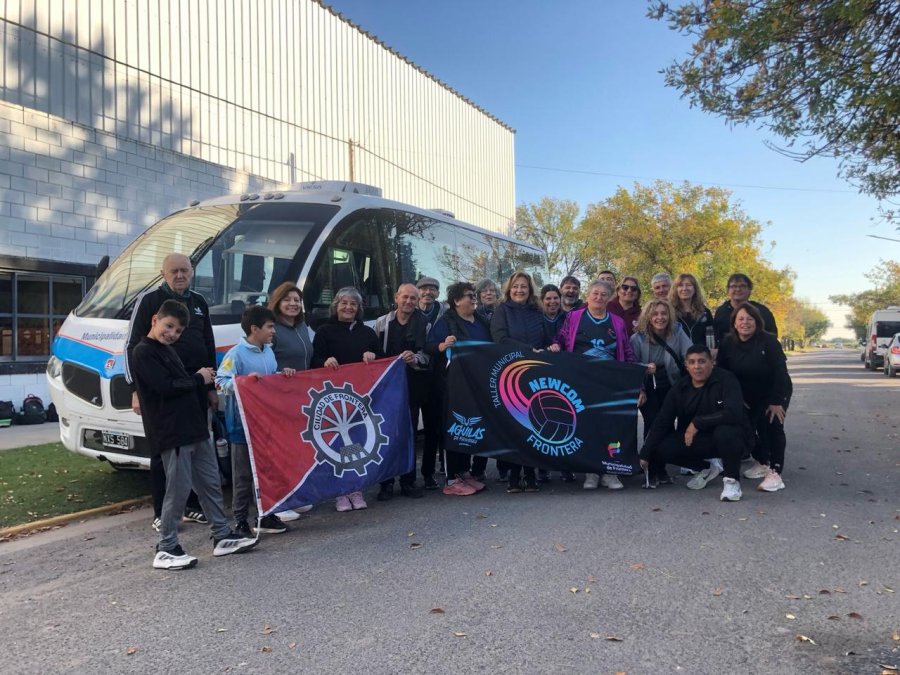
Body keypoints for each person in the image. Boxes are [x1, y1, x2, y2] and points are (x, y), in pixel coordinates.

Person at [130, 300, 257, 570]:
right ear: (155, 320)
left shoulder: (168, 351)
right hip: (172, 433)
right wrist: (199, 378)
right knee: (178, 490)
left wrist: (201, 380)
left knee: (210, 483)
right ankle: (166, 547)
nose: (172, 334)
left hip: (195, 429)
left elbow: (181, 382)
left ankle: (222, 535)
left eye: (178, 330)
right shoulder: (143, 352)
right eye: (169, 326)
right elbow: (165, 387)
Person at [124, 252, 216, 531]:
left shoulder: (199, 302)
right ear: (163, 273)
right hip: (161, 390)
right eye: (174, 271)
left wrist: (210, 387)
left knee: (194, 447)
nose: (180, 275)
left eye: (185, 270)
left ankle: (190, 505)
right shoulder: (149, 301)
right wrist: (135, 389)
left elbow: (208, 344)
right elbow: (131, 345)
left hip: (195, 387)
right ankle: (160, 512)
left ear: (192, 272)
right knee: (163, 450)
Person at [216, 305, 297, 537]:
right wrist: (244, 382)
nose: (274, 331)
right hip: (242, 425)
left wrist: (282, 375)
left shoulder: (268, 351)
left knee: (266, 471)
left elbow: (268, 379)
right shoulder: (236, 354)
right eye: (270, 327)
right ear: (254, 329)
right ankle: (240, 520)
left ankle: (266, 515)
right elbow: (221, 381)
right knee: (242, 474)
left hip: (266, 423)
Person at [553, 279, 636, 491]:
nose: (599, 297)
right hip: (582, 380)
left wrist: (637, 378)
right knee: (587, 425)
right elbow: (561, 339)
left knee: (611, 426)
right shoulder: (574, 317)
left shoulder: (617, 322)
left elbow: (627, 351)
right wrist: (554, 345)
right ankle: (591, 471)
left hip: (609, 382)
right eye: (595, 293)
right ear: (588, 296)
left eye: (603, 294)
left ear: (609, 298)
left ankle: (610, 471)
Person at [639, 345, 749, 501]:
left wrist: (698, 423)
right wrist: (645, 453)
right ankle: (705, 468)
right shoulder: (680, 388)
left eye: (702, 361)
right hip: (699, 440)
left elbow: (733, 413)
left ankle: (732, 481)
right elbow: (662, 421)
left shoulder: (727, 380)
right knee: (660, 447)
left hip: (732, 439)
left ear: (712, 362)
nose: (697, 366)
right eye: (692, 362)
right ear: (686, 366)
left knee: (725, 431)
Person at [311, 287, 382, 511]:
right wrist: (324, 361)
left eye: (353, 304)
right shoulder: (324, 331)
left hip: (361, 397)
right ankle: (341, 492)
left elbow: (382, 361)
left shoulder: (368, 333)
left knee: (356, 441)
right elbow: (314, 360)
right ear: (336, 305)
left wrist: (373, 355)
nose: (348, 307)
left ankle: (355, 488)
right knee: (339, 443)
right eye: (344, 303)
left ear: (359, 308)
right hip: (334, 398)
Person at [491, 271, 557, 493]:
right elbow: (500, 339)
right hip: (510, 372)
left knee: (534, 422)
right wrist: (529, 350)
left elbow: (546, 338)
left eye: (524, 287)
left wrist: (551, 346)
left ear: (530, 290)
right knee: (514, 424)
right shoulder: (502, 310)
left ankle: (530, 473)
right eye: (515, 286)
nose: (519, 290)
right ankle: (513, 475)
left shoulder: (537, 311)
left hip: (535, 372)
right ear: (509, 289)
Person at [716, 302, 792, 492]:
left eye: (750, 319)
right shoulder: (727, 343)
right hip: (744, 394)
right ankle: (763, 461)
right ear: (734, 323)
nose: (745, 322)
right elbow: (723, 373)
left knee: (771, 426)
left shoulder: (769, 341)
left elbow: (780, 373)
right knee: (746, 428)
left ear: (757, 322)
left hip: (773, 392)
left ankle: (775, 472)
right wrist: (733, 397)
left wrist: (776, 402)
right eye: (740, 319)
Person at [426, 282, 491, 497]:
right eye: (469, 296)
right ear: (456, 301)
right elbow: (429, 346)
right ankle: (451, 479)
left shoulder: (481, 321)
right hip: (453, 385)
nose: (474, 299)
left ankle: (464, 472)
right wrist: (442, 345)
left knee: (470, 428)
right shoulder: (447, 322)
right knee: (454, 428)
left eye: (474, 295)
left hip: (477, 385)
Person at [373, 283, 428, 500]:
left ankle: (408, 481)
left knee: (409, 435)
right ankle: (385, 483)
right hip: (386, 390)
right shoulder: (381, 323)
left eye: (413, 298)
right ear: (396, 297)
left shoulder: (425, 324)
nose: (408, 301)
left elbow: (428, 355)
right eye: (405, 297)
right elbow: (373, 351)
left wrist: (415, 359)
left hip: (412, 387)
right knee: (385, 436)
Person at [266, 282, 316, 522]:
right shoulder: (272, 329)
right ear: (278, 302)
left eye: (297, 300)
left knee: (297, 448)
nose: (293, 304)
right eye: (287, 299)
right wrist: (279, 373)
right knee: (279, 451)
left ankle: (295, 495)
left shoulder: (302, 327)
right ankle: (279, 501)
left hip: (301, 397)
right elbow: (264, 363)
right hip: (279, 398)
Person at [630, 299, 693, 447]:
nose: (660, 317)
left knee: (668, 420)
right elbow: (631, 365)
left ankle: (668, 454)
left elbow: (689, 354)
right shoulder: (637, 338)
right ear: (648, 317)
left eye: (664, 313)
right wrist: (644, 367)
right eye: (655, 314)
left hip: (671, 381)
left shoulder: (677, 331)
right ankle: (649, 455)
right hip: (647, 385)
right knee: (652, 420)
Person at [537, 282, 575, 484]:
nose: (552, 302)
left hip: (564, 372)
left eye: (555, 298)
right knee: (544, 419)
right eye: (548, 299)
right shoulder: (536, 318)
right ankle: (543, 468)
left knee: (564, 418)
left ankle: (566, 467)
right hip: (541, 372)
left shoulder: (568, 318)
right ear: (542, 301)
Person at [712, 273, 778, 344]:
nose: (738, 289)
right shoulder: (721, 312)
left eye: (742, 286)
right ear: (728, 290)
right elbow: (716, 336)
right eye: (733, 286)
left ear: (749, 290)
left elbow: (772, 336)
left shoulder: (762, 311)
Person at [668, 273, 714, 346]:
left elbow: (712, 337)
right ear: (675, 289)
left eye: (688, 285)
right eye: (680, 285)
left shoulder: (704, 312)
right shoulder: (669, 312)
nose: (684, 288)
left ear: (695, 289)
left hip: (701, 352)